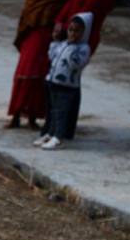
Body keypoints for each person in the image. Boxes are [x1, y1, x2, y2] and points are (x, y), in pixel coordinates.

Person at [7, 0, 69, 129]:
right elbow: (25, 16)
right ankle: (16, 114)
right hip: (30, 38)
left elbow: (63, 19)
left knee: (39, 77)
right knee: (23, 74)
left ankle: (33, 117)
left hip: (48, 41)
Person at [36, 13, 92, 150]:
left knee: (61, 111)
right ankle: (50, 132)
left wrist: (72, 47)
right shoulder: (63, 44)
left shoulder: (83, 49)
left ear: (84, 32)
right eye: (70, 30)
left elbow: (75, 64)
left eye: (77, 31)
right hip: (52, 82)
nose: (72, 33)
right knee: (53, 111)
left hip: (67, 86)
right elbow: (51, 56)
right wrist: (55, 41)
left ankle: (59, 137)